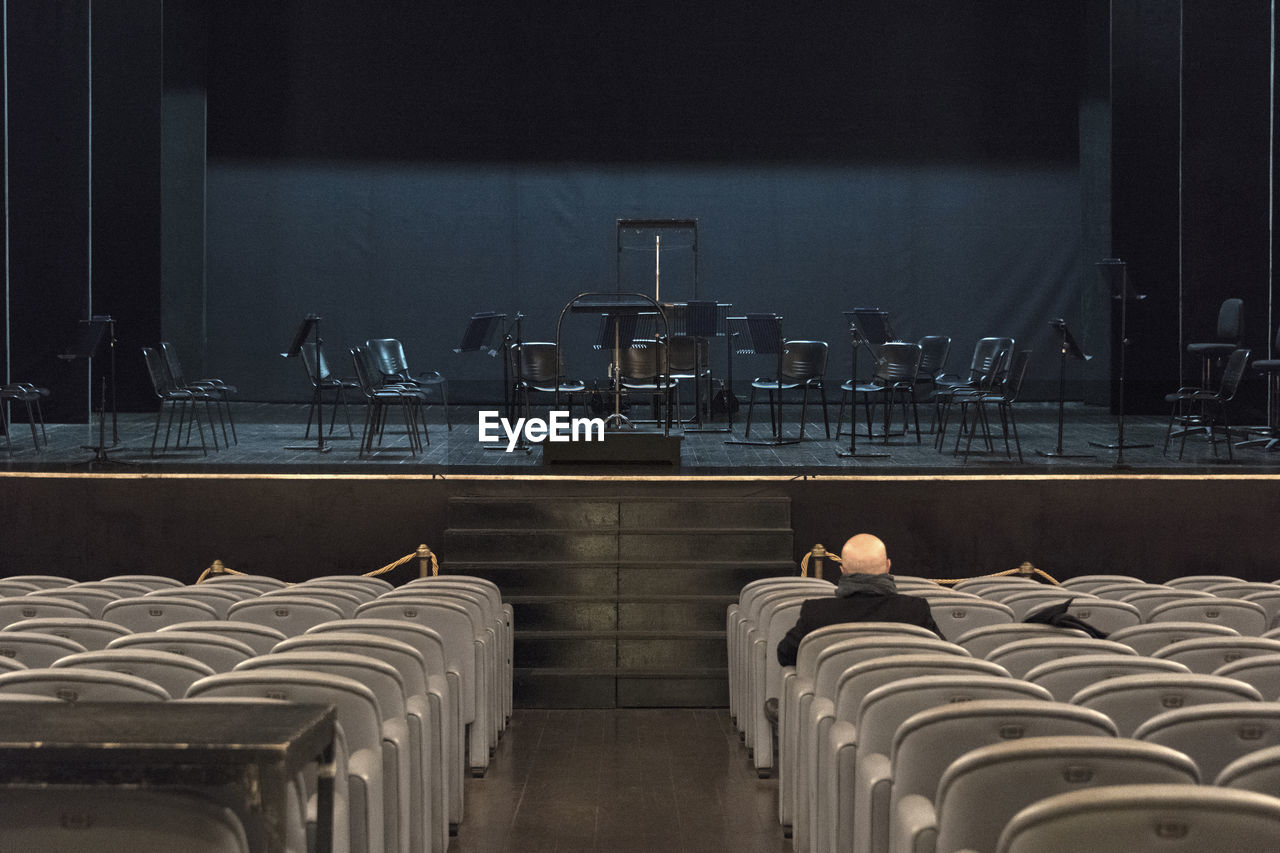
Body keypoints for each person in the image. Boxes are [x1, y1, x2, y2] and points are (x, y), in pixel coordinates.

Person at [775, 533, 944, 667]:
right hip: (903, 708)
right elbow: (945, 655)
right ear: (887, 566)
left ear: (843, 570)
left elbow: (784, 655)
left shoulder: (816, 613)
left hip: (833, 707)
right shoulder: (915, 611)